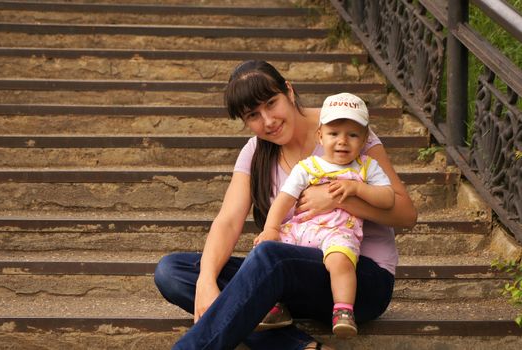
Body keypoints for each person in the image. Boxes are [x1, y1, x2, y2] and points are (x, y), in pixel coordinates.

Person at [154, 60, 417, 350]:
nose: (268, 120)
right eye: (254, 115)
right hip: (292, 282)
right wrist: (205, 280)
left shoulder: (343, 130)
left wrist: (340, 198)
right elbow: (228, 220)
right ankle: (299, 347)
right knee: (173, 271)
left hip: (359, 280)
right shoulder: (255, 153)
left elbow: (406, 214)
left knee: (269, 256)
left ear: (289, 91)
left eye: (271, 103)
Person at [253, 92, 395, 338]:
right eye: (333, 134)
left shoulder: (366, 167)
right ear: (320, 135)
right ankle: (274, 306)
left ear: (363, 140)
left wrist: (358, 188)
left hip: (339, 232)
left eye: (352, 135)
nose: (342, 141)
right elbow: (284, 199)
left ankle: (343, 310)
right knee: (263, 252)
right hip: (301, 230)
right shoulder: (308, 166)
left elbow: (388, 198)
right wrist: (271, 229)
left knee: (341, 260)